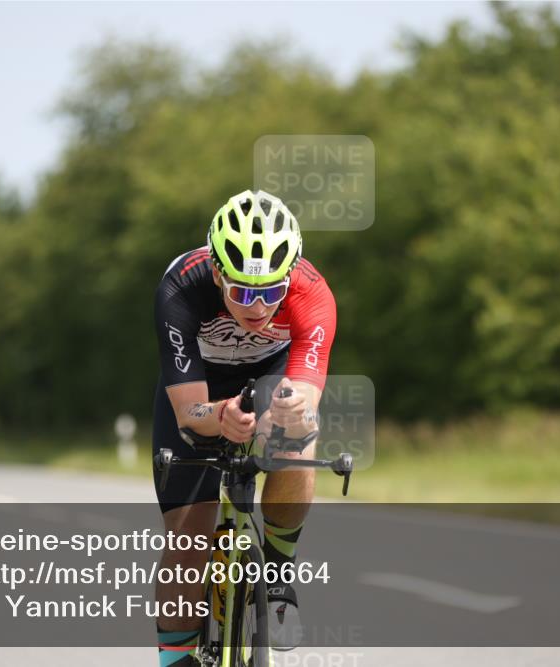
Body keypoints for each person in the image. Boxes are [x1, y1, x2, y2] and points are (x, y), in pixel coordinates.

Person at [152, 190, 336, 665]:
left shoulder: (312, 294)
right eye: (242, 292)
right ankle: (176, 659)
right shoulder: (181, 287)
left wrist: (290, 415)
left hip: (271, 371)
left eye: (272, 292)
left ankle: (276, 572)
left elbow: (307, 400)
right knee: (188, 541)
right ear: (217, 272)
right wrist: (220, 415)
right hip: (202, 385)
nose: (257, 306)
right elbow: (188, 413)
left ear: (290, 274)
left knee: (298, 434)